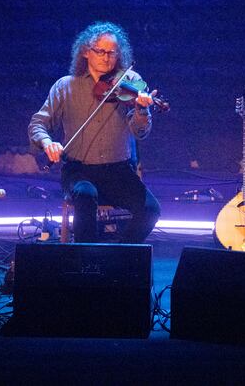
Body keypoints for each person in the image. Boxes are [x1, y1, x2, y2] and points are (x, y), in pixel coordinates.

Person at [28, 21, 161, 243]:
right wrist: (47, 142)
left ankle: (117, 255)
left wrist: (142, 110)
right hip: (79, 171)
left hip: (118, 172)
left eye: (112, 52)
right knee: (86, 195)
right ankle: (84, 261)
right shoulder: (65, 86)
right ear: (86, 52)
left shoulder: (129, 83)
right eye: (100, 51)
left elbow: (140, 133)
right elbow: (37, 123)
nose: (107, 57)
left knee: (151, 210)